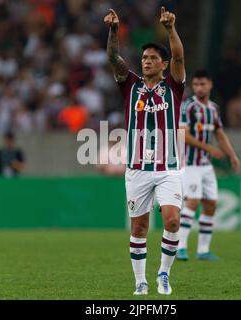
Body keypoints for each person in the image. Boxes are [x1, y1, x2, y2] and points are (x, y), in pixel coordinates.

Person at [105, 7, 185, 295]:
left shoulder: (173, 88)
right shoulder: (131, 86)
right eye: (144, 58)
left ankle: (164, 273)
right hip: (137, 169)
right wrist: (114, 31)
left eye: (153, 58)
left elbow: (178, 56)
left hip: (167, 168)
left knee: (173, 220)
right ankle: (140, 280)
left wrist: (171, 28)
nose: (147, 61)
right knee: (139, 229)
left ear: (163, 64)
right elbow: (113, 58)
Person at [177, 70, 240, 262]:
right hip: (189, 163)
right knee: (193, 201)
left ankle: (203, 250)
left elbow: (219, 133)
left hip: (205, 165)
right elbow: (183, 135)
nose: (199, 88)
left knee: (211, 204)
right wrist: (209, 148)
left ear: (210, 85)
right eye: (196, 84)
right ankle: (180, 247)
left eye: (202, 84)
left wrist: (232, 155)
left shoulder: (213, 109)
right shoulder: (188, 107)